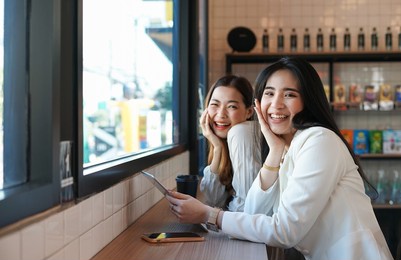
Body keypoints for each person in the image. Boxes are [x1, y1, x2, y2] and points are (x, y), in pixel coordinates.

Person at [166, 57, 393, 260]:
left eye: (289, 94)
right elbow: (253, 213)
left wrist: (210, 215)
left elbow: (284, 231)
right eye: (269, 93)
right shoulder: (287, 147)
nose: (276, 104)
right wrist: (274, 153)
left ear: (308, 100)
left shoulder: (320, 140)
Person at [199, 75, 261, 212]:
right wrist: (218, 148)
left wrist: (213, 219)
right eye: (215, 104)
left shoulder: (242, 132)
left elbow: (247, 209)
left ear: (249, 112)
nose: (221, 114)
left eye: (231, 106)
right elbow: (214, 200)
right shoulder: (227, 141)